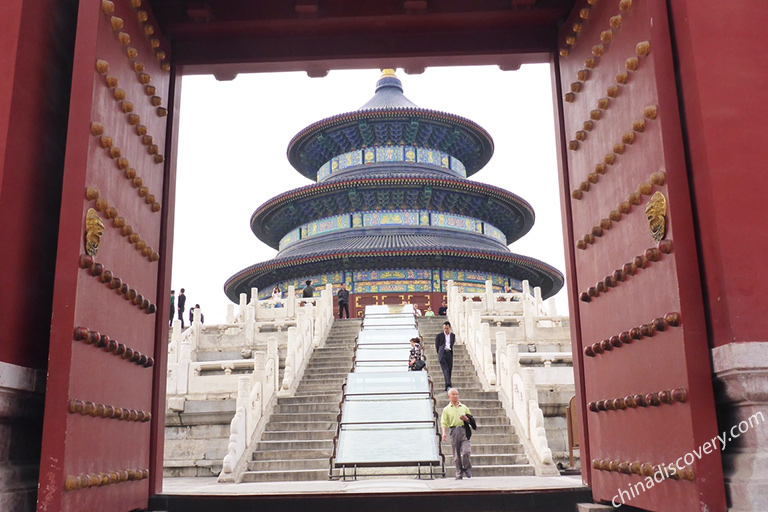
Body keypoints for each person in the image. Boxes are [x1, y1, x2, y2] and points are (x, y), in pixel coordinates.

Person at [441, 388, 475, 479]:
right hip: (454, 430)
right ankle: (459, 472)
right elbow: (444, 422)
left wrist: (466, 419)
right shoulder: (446, 409)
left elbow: (471, 420)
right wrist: (444, 433)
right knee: (456, 454)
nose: (455, 396)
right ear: (449, 397)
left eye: (457, 394)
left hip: (464, 430)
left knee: (466, 451)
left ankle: (466, 467)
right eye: (453, 394)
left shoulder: (464, 407)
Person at [435, 321, 455, 391]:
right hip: (442, 354)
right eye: (444, 328)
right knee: (445, 369)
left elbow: (451, 344)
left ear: (450, 328)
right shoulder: (439, 336)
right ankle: (448, 385)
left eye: (447, 328)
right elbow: (437, 346)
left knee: (449, 369)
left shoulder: (453, 336)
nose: (446, 330)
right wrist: (440, 353)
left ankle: (447, 386)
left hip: (449, 353)